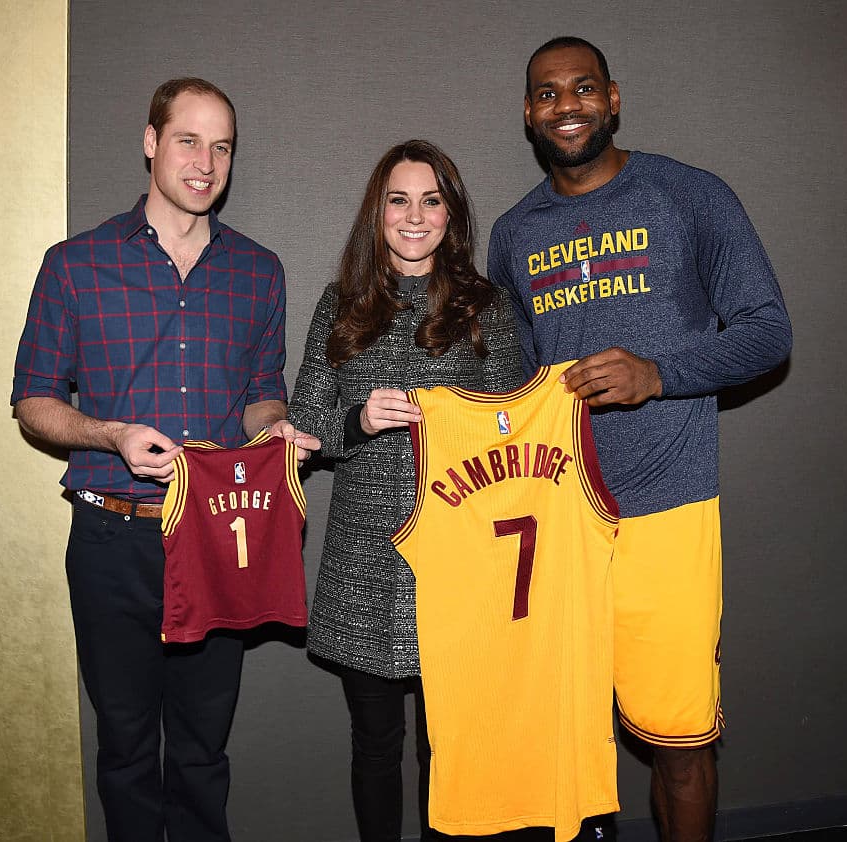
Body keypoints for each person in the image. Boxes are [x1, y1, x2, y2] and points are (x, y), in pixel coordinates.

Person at [488, 37, 793, 842]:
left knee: (679, 746)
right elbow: (516, 384)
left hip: (668, 511)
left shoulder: (689, 196)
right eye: (548, 94)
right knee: (567, 749)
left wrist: (659, 373)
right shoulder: (515, 233)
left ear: (613, 98)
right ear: (528, 113)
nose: (567, 105)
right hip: (560, 526)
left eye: (583, 88)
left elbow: (769, 333)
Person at [10, 77, 318, 842]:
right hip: (111, 537)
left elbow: (260, 391)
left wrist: (274, 429)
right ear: (151, 142)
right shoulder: (74, 265)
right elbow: (33, 401)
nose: (204, 162)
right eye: (188, 140)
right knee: (123, 748)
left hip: (215, 536)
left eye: (221, 147)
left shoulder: (258, 271)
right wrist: (111, 434)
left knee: (203, 750)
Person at [288, 139, 523, 842]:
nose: (414, 216)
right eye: (399, 200)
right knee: (375, 747)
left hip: (458, 560)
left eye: (431, 200)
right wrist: (357, 421)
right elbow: (302, 424)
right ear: (377, 212)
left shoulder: (487, 306)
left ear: (450, 215)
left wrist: (473, 423)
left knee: (446, 748)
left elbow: (515, 428)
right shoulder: (342, 303)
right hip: (363, 564)